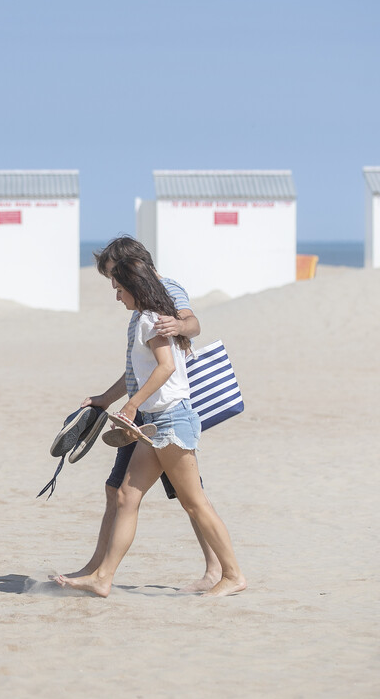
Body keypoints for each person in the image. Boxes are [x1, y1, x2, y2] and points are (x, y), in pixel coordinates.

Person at [55, 256, 246, 598]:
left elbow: (166, 367)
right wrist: (110, 399)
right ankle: (103, 578)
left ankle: (232, 576)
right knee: (127, 497)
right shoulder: (146, 318)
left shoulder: (149, 319)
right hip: (156, 425)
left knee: (195, 503)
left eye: (119, 288)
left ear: (135, 287)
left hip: (172, 421)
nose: (117, 297)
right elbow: (145, 371)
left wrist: (130, 405)